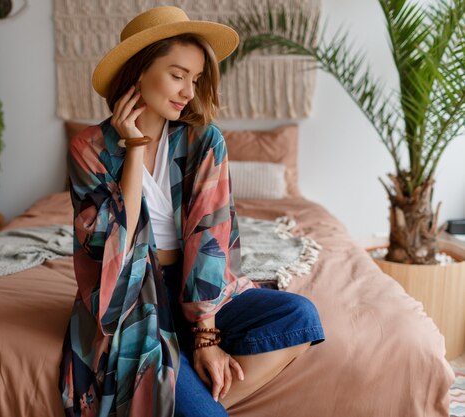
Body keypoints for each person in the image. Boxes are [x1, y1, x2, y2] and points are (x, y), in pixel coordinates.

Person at [58, 6, 325, 417]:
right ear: (138, 71)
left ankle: (177, 397)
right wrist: (132, 149)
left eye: (195, 79)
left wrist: (206, 336)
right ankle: (190, 403)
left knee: (299, 316)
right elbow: (113, 244)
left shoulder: (203, 140)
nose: (188, 91)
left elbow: (211, 238)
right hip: (134, 294)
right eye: (177, 75)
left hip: (193, 285)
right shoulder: (89, 148)